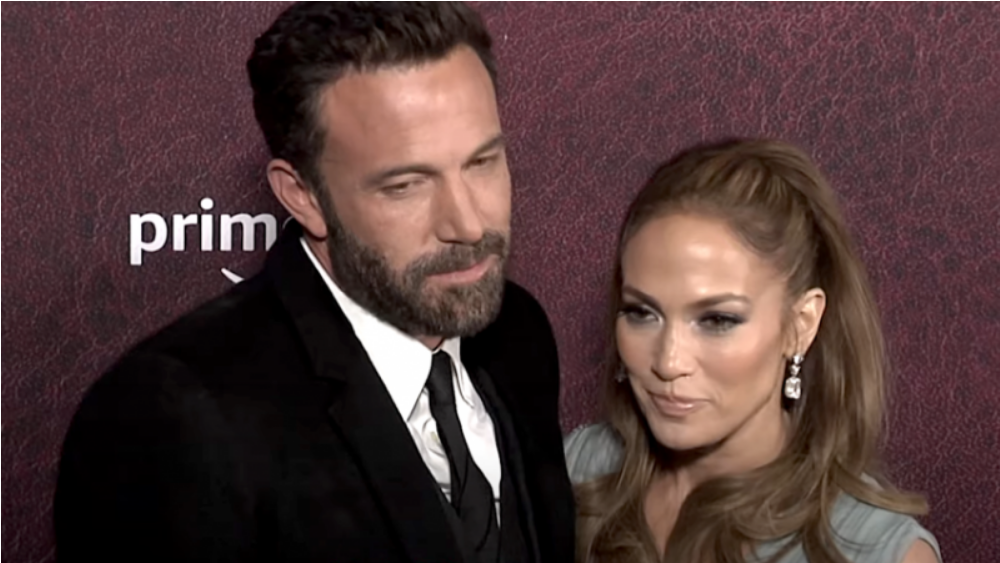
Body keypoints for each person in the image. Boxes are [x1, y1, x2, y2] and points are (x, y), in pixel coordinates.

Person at [54, 3, 574, 562]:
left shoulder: (516, 334)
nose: (468, 225)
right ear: (302, 196)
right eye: (405, 185)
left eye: (482, 163)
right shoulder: (173, 420)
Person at [564, 140, 941, 563]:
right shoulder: (578, 470)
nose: (669, 362)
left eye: (718, 320)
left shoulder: (877, 551)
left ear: (801, 325)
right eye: (641, 313)